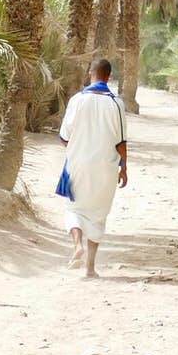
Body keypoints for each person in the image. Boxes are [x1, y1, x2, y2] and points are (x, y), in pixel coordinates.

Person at [58, 57, 128, 276]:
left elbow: (64, 137)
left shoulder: (77, 100)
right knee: (98, 215)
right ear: (109, 76)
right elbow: (121, 142)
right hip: (105, 168)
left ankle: (77, 245)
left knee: (73, 209)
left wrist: (78, 148)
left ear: (90, 73)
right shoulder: (116, 103)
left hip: (77, 165)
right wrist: (124, 168)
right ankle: (90, 267)